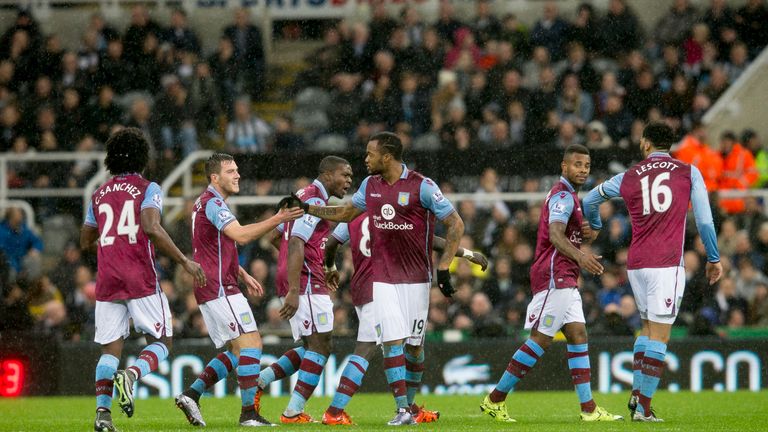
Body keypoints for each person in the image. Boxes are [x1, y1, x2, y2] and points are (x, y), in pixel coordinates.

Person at [281, 132, 465, 425]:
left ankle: (410, 406)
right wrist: (308, 208)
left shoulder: (423, 186)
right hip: (382, 279)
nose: (365, 159)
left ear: (387, 157)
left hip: (417, 279)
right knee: (392, 343)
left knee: (415, 348)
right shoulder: (370, 185)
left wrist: (444, 268)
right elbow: (344, 212)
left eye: (370, 154)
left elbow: (455, 223)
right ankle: (402, 410)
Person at [584, 123, 722, 421]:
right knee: (660, 335)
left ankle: (637, 393)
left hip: (636, 264)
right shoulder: (688, 171)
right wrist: (713, 257)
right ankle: (644, 408)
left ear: (646, 143)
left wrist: (595, 225)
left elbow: (589, 200)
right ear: (668, 144)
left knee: (646, 330)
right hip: (667, 263)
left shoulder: (629, 176)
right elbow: (705, 219)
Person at [480, 144, 623, 423]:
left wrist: (582, 239)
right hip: (555, 274)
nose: (582, 170)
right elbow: (556, 236)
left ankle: (589, 409)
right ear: (564, 166)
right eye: (577, 164)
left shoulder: (570, 197)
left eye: (586, 166)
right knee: (541, 339)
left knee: (578, 334)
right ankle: (495, 399)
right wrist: (581, 256)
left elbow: (564, 234)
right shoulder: (563, 196)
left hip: (566, 276)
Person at [80, 128, 206, 432]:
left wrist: (111, 239)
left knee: (110, 350)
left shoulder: (98, 193)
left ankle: (102, 415)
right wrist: (183, 260)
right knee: (163, 340)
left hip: (108, 279)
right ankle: (132, 375)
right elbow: (151, 227)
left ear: (111, 159)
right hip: (140, 276)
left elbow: (85, 239)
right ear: (142, 157)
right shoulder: (148, 188)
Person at [174, 153, 303, 427]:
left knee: (236, 351)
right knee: (252, 343)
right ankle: (248, 414)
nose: (237, 175)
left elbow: (212, 247)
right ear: (214, 178)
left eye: (237, 170)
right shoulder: (214, 204)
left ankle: (191, 394)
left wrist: (241, 272)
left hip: (216, 284)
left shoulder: (203, 203)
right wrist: (278, 218)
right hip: (220, 287)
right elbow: (241, 235)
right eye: (230, 171)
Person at [321, 214, 489, 425]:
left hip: (364, 286)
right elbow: (427, 240)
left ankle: (409, 408)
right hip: (386, 285)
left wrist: (330, 268)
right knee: (369, 347)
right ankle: (335, 411)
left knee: (411, 345)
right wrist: (466, 252)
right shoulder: (388, 210)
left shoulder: (353, 214)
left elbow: (332, 242)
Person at [253, 156, 353, 424]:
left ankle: (258, 382)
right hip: (306, 283)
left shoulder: (301, 196)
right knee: (321, 345)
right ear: (328, 175)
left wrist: (295, 267)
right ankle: (292, 412)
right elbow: (296, 241)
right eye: (345, 175)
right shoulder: (315, 201)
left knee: (310, 344)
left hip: (305, 277)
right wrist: (296, 288)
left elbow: (276, 236)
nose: (349, 181)